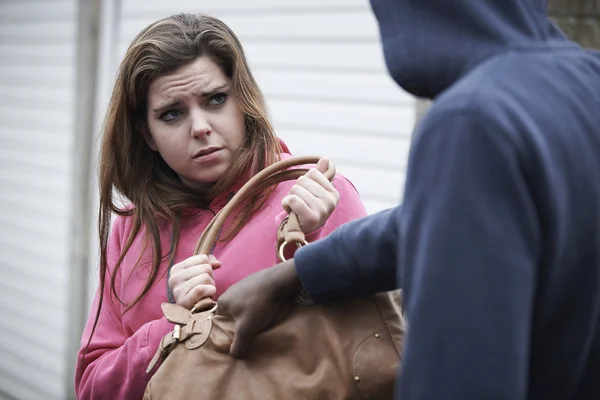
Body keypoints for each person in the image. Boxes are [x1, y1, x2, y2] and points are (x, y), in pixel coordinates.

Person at [217, 0, 600, 399]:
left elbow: (461, 379)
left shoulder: (472, 121)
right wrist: (296, 273)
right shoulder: (588, 79)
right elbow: (439, 221)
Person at [74, 13, 368, 400]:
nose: (199, 127)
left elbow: (365, 350)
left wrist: (312, 255)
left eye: (215, 99)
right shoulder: (132, 231)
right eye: (172, 113)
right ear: (147, 133)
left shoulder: (319, 197)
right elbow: (93, 387)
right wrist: (172, 324)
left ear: (241, 101)